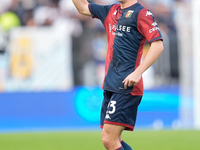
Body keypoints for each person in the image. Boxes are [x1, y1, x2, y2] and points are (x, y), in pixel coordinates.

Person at [72, 0, 164, 150]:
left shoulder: (142, 13)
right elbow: (82, 7)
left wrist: (138, 72)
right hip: (110, 83)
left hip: (127, 85)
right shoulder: (111, 10)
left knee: (108, 139)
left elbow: (158, 45)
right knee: (114, 140)